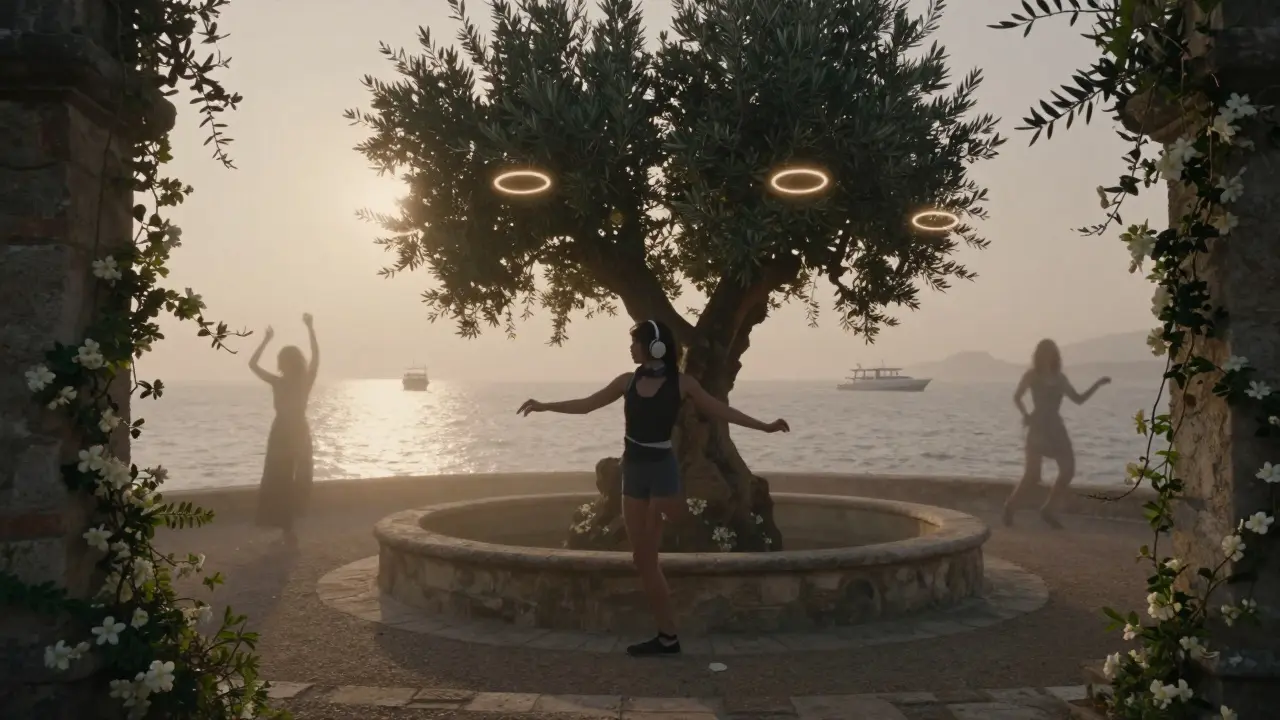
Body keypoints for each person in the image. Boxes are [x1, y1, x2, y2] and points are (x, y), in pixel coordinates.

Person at [517, 319, 790, 656]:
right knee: (643, 560)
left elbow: (720, 409)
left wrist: (764, 427)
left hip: (662, 472)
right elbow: (587, 405)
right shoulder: (626, 381)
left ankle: (677, 516)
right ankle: (667, 637)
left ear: (654, 347)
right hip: (633, 473)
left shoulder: (682, 384)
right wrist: (545, 405)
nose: (631, 348)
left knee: (662, 526)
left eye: (636, 343)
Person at [1002, 338, 1110, 530]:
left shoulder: (1060, 378)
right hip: (1037, 427)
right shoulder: (1032, 376)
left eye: (1051, 353)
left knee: (1068, 470)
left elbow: (1078, 399)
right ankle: (1010, 507)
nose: (1047, 356)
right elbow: (1017, 397)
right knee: (1032, 475)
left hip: (1055, 428)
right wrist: (1025, 414)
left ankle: (1048, 510)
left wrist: (1097, 385)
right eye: (1044, 353)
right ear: (1038, 355)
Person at [248, 314, 320, 545]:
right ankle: (288, 524)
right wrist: (310, 328)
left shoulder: (286, 382)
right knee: (289, 476)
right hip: (295, 430)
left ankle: (287, 523)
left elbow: (252, 365)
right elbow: (316, 356)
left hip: (286, 431)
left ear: (284, 363)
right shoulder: (301, 381)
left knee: (282, 476)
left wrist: (266, 340)